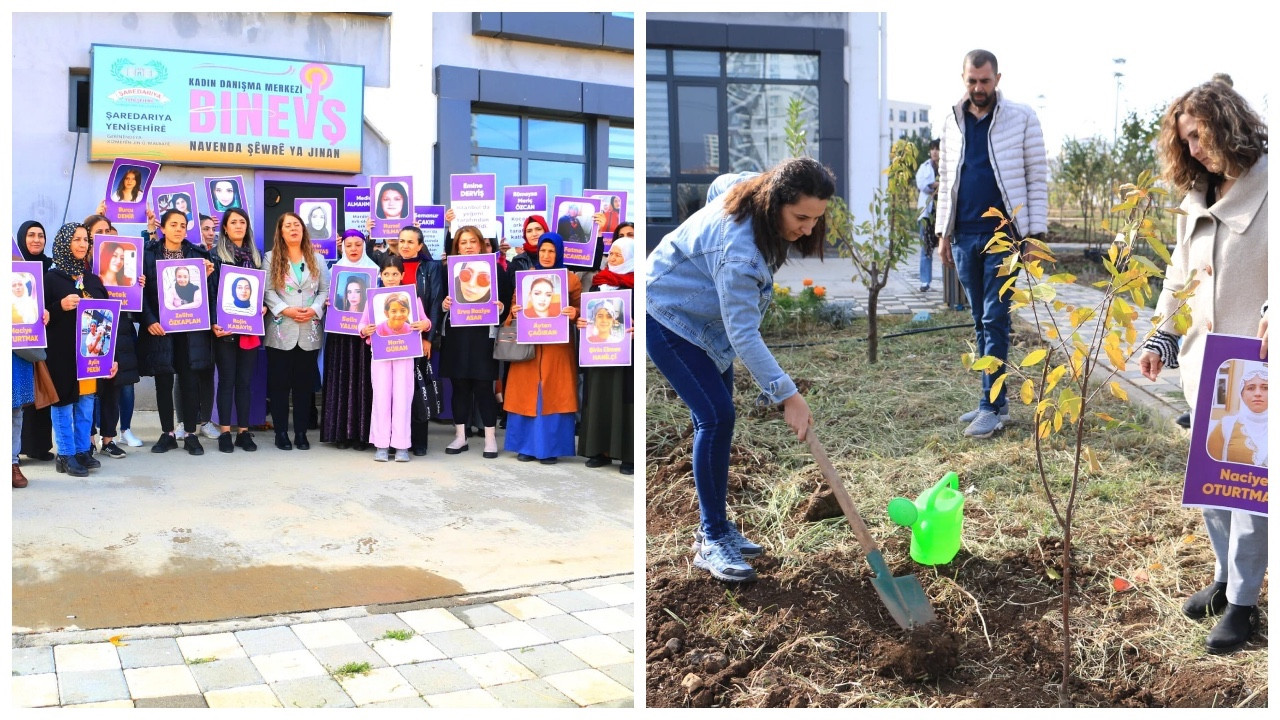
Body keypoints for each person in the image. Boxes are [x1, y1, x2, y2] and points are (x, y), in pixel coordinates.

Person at [647, 157, 830, 582]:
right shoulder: (741, 255)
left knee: (715, 418)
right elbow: (745, 335)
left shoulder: (751, 188)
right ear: (775, 201)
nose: (807, 228)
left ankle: (716, 527)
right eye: (800, 217)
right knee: (716, 417)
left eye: (816, 218)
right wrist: (789, 395)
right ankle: (711, 539)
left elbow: (719, 185)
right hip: (670, 318)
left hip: (705, 322)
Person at [1138, 79, 1268, 655]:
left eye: (1199, 135)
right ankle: (1223, 578)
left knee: (1246, 493)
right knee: (1212, 489)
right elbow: (1178, 278)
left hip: (1253, 368)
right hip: (1202, 367)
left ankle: (1243, 603)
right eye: (1184, 140)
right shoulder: (1197, 197)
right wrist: (1161, 340)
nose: (1192, 149)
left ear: (1227, 123)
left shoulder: (1272, 185)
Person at [937, 49, 1048, 439]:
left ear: (997, 79)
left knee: (994, 318)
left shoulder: (1022, 118)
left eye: (985, 81)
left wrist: (1033, 236)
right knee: (978, 320)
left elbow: (1037, 178)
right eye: (972, 81)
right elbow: (947, 180)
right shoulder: (953, 119)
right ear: (963, 78)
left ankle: (989, 407)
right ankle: (997, 402)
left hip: (1005, 235)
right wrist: (943, 233)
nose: (978, 88)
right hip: (964, 233)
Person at [138, 209, 215, 455]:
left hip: (189, 328)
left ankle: (191, 434)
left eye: (183, 225)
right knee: (163, 380)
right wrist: (149, 320)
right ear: (163, 228)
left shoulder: (197, 255)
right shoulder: (148, 255)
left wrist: (208, 276)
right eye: (174, 224)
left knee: (189, 379)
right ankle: (167, 433)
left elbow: (208, 294)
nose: (179, 229)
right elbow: (140, 292)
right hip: (160, 328)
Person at [44, 223, 116, 476]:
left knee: (86, 402)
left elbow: (108, 320)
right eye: (76, 240)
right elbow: (38, 318)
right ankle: (65, 454)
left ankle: (82, 450)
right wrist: (58, 306)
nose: (82, 244)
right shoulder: (51, 278)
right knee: (63, 403)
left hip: (89, 355)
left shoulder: (93, 280)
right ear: (65, 243)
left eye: (85, 240)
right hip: (62, 354)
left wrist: (110, 358)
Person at [503, 232, 581, 464]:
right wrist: (513, 313)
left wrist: (575, 313)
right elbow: (511, 313)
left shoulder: (571, 280)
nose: (546, 255)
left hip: (557, 349)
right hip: (528, 347)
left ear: (559, 253)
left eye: (552, 251)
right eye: (543, 250)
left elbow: (582, 313)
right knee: (526, 394)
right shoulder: (525, 278)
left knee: (554, 394)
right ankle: (525, 446)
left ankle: (551, 449)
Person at [440, 225, 510, 459]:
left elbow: (507, 304)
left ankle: (490, 439)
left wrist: (501, 308)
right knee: (459, 386)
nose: (468, 246)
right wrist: (444, 305)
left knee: (483, 387)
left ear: (481, 244)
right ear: (456, 247)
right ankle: (461, 436)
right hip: (457, 336)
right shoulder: (447, 271)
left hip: (483, 336)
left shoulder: (497, 271)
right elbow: (438, 302)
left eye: (472, 241)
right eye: (463, 242)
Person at [263, 211, 329, 451]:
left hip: (309, 330)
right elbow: (267, 291)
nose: (293, 229)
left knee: (303, 386)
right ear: (280, 232)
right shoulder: (271, 258)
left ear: (303, 230)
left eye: (297, 225)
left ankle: (301, 433)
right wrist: (285, 310)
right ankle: (281, 432)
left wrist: (313, 309)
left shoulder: (318, 259)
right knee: (280, 386)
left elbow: (325, 290)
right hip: (281, 331)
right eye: (288, 225)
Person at [379, 225, 444, 454]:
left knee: (417, 389)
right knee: (392, 392)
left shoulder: (431, 267)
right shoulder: (389, 266)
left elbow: (435, 303)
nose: (405, 245)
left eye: (410, 242)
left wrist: (429, 338)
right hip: (390, 341)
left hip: (418, 338)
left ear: (419, 245)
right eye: (402, 241)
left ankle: (417, 442)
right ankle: (390, 441)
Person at [360, 254, 431, 462]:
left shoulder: (412, 298)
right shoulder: (373, 299)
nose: (391, 278)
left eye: (395, 274)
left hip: (404, 355)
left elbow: (425, 321)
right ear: (381, 275)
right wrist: (365, 329)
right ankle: (381, 445)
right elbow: (361, 324)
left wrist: (423, 325)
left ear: (402, 275)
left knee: (402, 398)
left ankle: (401, 446)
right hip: (381, 355)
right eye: (387, 274)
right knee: (381, 398)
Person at [578, 232, 636, 475]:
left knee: (623, 399)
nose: (611, 257)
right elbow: (589, 314)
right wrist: (581, 322)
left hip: (625, 354)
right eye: (610, 253)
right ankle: (598, 450)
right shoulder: (598, 282)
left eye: (617, 254)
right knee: (599, 395)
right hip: (598, 353)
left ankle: (627, 455)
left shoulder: (637, 282)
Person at [321, 229, 378, 450]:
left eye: (357, 244)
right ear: (342, 246)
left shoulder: (375, 270)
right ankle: (339, 434)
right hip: (340, 335)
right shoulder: (333, 270)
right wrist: (328, 303)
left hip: (365, 338)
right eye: (349, 245)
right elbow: (327, 296)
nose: (353, 249)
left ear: (364, 246)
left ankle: (360, 434)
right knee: (341, 380)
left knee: (363, 383)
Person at [17, 220, 55, 463]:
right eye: (31, 235)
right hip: (17, 340)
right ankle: (13, 452)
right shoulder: (12, 266)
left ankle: (39, 447)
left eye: (40, 235)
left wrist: (49, 310)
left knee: (41, 393)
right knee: (17, 395)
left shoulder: (51, 267)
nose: (36, 239)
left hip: (43, 339)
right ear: (23, 238)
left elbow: (55, 298)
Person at [1207, 363, 1267, 467]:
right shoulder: (1226, 426)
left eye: (1265, 388)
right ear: (1242, 394)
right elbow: (1209, 468)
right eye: (1251, 388)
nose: (1258, 393)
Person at [916, 139, 940, 293]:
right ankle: (925, 281)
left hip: (942, 213)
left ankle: (951, 283)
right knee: (926, 248)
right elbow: (923, 185)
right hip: (927, 214)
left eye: (937, 149)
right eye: (932, 149)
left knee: (950, 248)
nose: (935, 152)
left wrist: (934, 184)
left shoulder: (948, 166)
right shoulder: (924, 167)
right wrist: (937, 184)